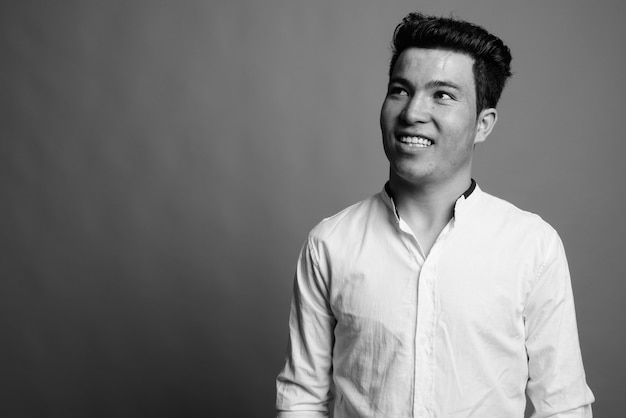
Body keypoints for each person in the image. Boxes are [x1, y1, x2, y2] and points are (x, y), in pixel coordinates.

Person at [276, 12, 594, 418]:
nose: (412, 113)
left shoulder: (533, 246)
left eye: (442, 94)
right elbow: (302, 398)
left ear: (483, 125)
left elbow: (563, 405)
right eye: (400, 90)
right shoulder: (330, 244)